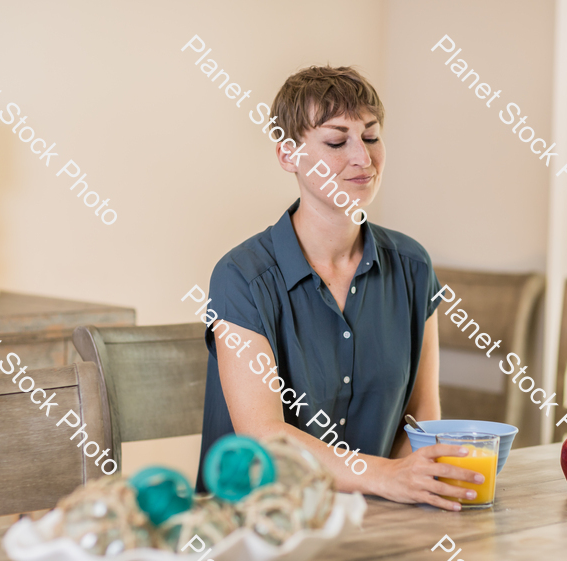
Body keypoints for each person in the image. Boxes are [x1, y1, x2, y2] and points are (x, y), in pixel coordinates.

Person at [195, 65, 481, 511]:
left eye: (370, 136)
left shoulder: (412, 267)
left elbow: (422, 415)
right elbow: (265, 438)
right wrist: (387, 476)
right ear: (287, 154)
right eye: (336, 141)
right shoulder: (240, 278)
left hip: (378, 519)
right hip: (254, 529)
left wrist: (415, 487)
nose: (363, 158)